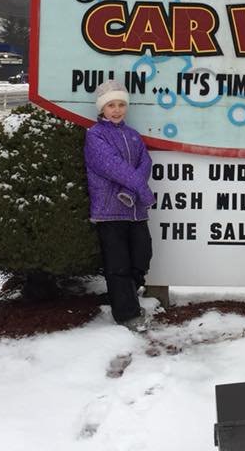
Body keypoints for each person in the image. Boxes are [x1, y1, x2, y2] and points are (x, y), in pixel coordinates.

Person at [85, 79, 157, 328]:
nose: (116, 110)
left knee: (142, 255)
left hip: (135, 210)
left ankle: (125, 294)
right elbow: (114, 167)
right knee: (118, 265)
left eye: (121, 104)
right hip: (109, 211)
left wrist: (133, 192)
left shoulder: (133, 135)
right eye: (111, 105)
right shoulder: (95, 135)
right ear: (102, 108)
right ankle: (128, 315)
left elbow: (145, 163)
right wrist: (144, 192)